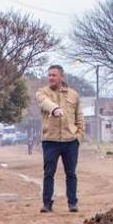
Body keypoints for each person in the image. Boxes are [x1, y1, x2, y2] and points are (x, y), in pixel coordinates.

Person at [35, 64, 84, 213]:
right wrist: (55, 109)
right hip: (50, 140)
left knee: (71, 173)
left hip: (70, 141)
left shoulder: (73, 95)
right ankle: (47, 203)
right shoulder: (42, 92)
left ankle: (72, 203)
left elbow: (79, 117)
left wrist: (79, 135)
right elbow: (44, 103)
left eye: (54, 75)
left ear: (61, 77)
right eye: (49, 75)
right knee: (49, 173)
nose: (51, 78)